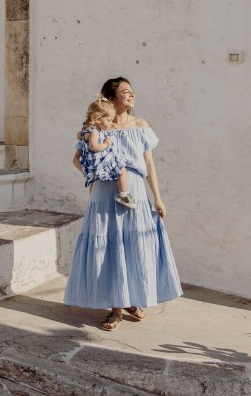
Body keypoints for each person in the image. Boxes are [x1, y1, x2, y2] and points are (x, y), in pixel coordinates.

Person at [63, 76, 182, 331]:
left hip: (134, 191)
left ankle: (131, 300)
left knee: (134, 244)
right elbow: (76, 159)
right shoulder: (98, 127)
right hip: (104, 192)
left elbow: (149, 165)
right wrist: (92, 178)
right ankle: (115, 309)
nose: (132, 95)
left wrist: (158, 198)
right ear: (112, 97)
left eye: (132, 91)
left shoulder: (141, 125)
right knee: (109, 245)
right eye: (126, 92)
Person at [78, 97, 136, 208]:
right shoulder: (95, 131)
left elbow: (78, 135)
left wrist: (83, 136)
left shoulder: (89, 130)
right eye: (108, 120)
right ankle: (123, 195)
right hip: (99, 163)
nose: (110, 123)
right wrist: (106, 144)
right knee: (122, 170)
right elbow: (94, 147)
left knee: (94, 182)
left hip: (94, 164)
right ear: (98, 119)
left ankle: (93, 199)